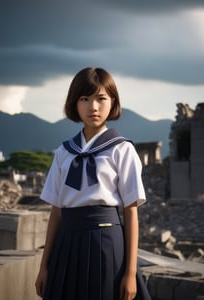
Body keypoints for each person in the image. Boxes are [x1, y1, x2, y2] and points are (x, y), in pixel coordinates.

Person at [35, 67, 151, 300]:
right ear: (74, 104)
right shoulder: (64, 152)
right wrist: (44, 266)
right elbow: (56, 211)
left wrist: (130, 272)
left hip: (106, 244)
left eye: (101, 98)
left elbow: (130, 212)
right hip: (66, 244)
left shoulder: (122, 149)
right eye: (84, 99)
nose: (93, 107)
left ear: (113, 102)